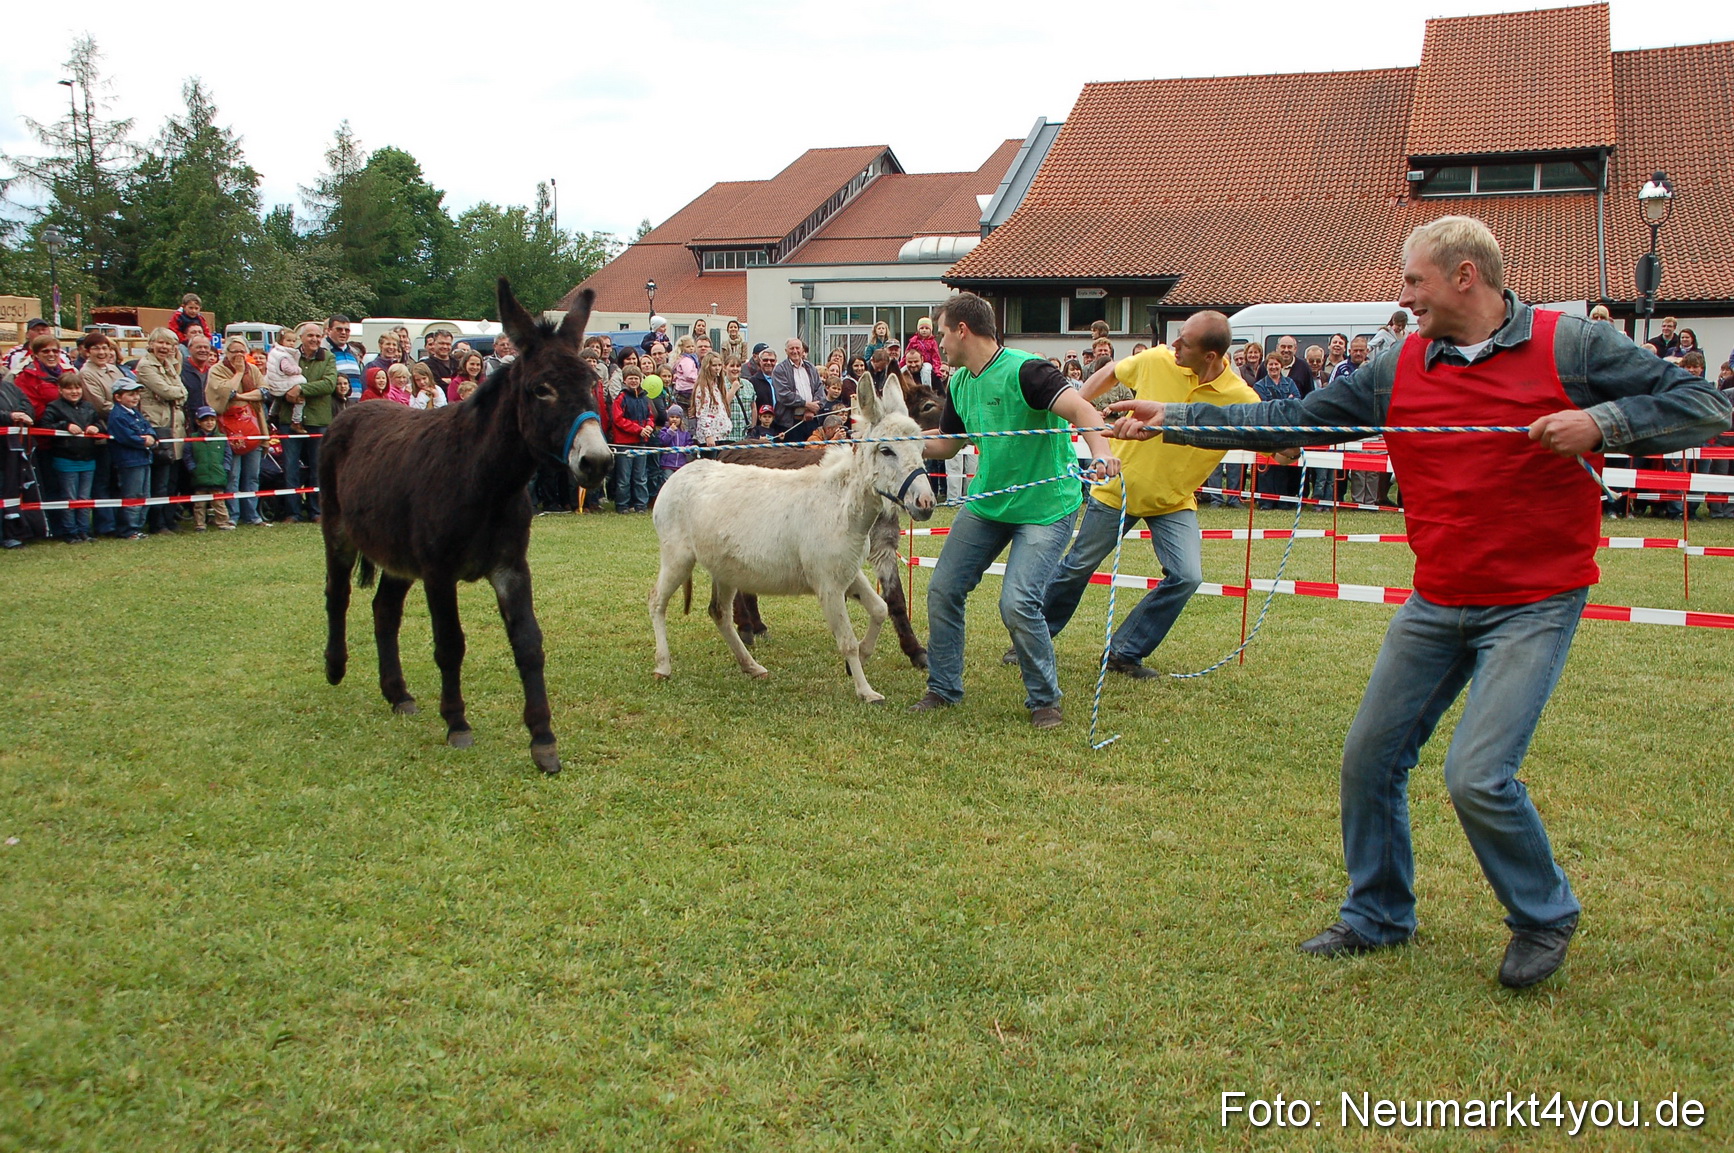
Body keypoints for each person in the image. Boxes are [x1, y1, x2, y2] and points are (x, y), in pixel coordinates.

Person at [1107, 215, 1730, 987]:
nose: (1403, 297)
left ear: (1465, 275)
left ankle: (1543, 914)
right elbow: (1293, 421)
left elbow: (1706, 403)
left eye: (1413, 281)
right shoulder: (1396, 366)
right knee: (1369, 758)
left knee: (1477, 774)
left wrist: (1601, 421)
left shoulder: (1573, 346)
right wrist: (1178, 418)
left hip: (1535, 600)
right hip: (1438, 597)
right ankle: (1378, 914)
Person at [910, 292, 1120, 730]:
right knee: (943, 589)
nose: (940, 343)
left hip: (1046, 507)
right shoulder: (962, 382)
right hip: (989, 502)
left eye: (942, 333)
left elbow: (1082, 409)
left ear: (961, 330)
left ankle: (1045, 700)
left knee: (1018, 603)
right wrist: (897, 442)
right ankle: (943, 688)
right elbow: (949, 443)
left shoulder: (1028, 371)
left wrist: (1101, 451)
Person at [1035, 312, 1261, 677]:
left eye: (1184, 342)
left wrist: (1291, 448)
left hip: (1173, 501)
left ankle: (1124, 652)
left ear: (1210, 356)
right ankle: (1034, 638)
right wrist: (1072, 408)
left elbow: (1277, 439)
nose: (1174, 345)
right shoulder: (1156, 359)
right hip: (1118, 489)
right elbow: (1111, 373)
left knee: (1187, 576)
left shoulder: (1242, 399)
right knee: (1077, 566)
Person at [273, 322, 336, 523]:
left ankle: (317, 511)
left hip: (318, 419)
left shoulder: (328, 357)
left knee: (318, 467)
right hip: (288, 419)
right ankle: (292, 512)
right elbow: (275, 379)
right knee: (290, 467)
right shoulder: (288, 355)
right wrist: (287, 393)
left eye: (318, 336)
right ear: (301, 337)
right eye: (310, 336)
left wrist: (300, 390)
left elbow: (329, 384)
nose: (315, 340)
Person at [206, 338, 271, 526]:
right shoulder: (217, 370)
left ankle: (251, 515)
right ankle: (232, 515)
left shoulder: (254, 370)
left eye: (242, 351)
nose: (238, 355)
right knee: (233, 475)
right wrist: (239, 373)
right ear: (226, 353)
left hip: (254, 426)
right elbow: (225, 392)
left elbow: (264, 392)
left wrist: (241, 396)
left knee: (252, 475)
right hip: (229, 429)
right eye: (234, 351)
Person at [38, 370, 103, 542]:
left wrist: (96, 427)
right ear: (60, 390)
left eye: (77, 388)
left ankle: (84, 529)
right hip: (65, 458)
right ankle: (70, 531)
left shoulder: (88, 406)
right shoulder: (54, 407)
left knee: (84, 498)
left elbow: (99, 423)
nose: (74, 392)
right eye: (69, 389)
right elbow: (45, 425)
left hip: (88, 458)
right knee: (69, 498)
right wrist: (65, 425)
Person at [134, 328, 188, 534]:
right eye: (161, 343)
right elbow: (167, 391)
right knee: (160, 481)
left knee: (172, 479)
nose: (165, 348)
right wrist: (175, 393)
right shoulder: (146, 366)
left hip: (175, 429)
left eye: (169, 344)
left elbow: (182, 393)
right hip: (158, 426)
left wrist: (176, 393)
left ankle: (169, 519)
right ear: (151, 343)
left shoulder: (170, 365)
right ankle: (157, 523)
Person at [75, 333, 123, 537]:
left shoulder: (114, 369)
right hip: (104, 432)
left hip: (121, 432)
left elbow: (129, 393)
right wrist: (125, 413)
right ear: (87, 351)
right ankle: (106, 525)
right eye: (97, 348)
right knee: (102, 481)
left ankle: (119, 521)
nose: (102, 352)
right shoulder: (86, 373)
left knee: (116, 480)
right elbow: (100, 405)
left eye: (105, 348)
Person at [105, 377, 156, 540]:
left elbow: (148, 427)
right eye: (130, 394)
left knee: (144, 494)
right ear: (118, 397)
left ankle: (138, 526)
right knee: (132, 495)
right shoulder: (118, 416)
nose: (135, 397)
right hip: (129, 461)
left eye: (136, 394)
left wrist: (151, 436)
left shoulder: (135, 413)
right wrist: (144, 441)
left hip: (143, 458)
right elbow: (126, 437)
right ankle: (128, 529)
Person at [609, 365, 655, 513]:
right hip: (624, 443)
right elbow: (618, 420)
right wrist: (638, 429)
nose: (634, 381)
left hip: (641, 443)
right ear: (624, 380)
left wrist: (649, 427)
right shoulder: (621, 398)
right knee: (624, 478)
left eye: (636, 378)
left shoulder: (644, 398)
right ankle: (622, 504)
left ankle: (641, 504)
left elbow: (650, 416)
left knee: (641, 476)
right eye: (631, 378)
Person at [183, 406, 234, 531]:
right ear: (198, 422)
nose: (209, 423)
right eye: (205, 420)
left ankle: (223, 522)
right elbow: (187, 456)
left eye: (212, 420)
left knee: (219, 502)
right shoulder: (192, 438)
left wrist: (225, 469)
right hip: (199, 475)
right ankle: (200, 524)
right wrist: (192, 468)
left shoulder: (222, 438)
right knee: (199, 503)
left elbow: (228, 455)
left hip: (218, 475)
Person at [771, 338, 822, 432]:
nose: (795, 351)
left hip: (811, 420)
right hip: (790, 424)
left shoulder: (811, 368)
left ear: (802, 350)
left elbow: (819, 389)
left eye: (797, 348)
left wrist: (811, 410)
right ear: (786, 351)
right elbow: (784, 395)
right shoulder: (780, 370)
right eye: (791, 348)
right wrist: (806, 404)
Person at [265, 328, 307, 431]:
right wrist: (298, 370)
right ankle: (296, 420)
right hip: (280, 381)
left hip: (273, 381)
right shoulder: (284, 355)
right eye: (288, 341)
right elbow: (287, 369)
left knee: (278, 398)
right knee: (302, 387)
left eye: (293, 341)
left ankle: (271, 414)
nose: (291, 343)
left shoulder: (274, 351)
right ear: (281, 341)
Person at [691, 353, 731, 447]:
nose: (717, 368)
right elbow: (702, 413)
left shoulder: (716, 385)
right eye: (714, 365)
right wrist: (708, 435)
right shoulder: (703, 388)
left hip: (720, 435)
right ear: (707, 367)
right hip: (709, 438)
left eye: (719, 365)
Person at [656, 404, 694, 494]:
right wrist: (670, 432)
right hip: (667, 464)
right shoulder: (664, 430)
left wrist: (688, 449)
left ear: (681, 419)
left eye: (677, 417)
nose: (674, 419)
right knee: (667, 484)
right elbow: (664, 442)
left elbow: (689, 443)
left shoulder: (685, 433)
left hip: (680, 464)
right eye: (672, 417)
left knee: (680, 485)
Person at [722, 357, 754, 443]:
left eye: (738, 366)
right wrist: (733, 390)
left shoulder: (748, 384)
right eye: (732, 366)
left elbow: (753, 407)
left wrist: (753, 427)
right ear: (724, 368)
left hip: (745, 435)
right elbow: (722, 407)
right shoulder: (720, 385)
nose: (735, 369)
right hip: (728, 436)